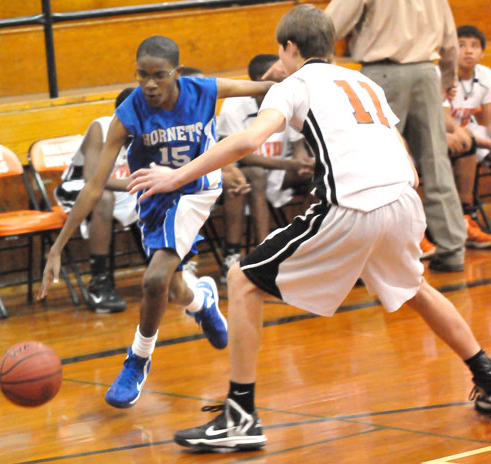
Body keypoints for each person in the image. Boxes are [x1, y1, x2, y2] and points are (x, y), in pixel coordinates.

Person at [129, 6, 491, 451]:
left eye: (280, 51)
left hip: (352, 203)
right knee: (415, 289)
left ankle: (240, 415)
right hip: (400, 198)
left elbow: (244, 141)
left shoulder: (295, 84)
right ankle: (486, 374)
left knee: (243, 280)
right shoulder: (364, 81)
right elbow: (397, 143)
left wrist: (173, 177)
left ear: (290, 48)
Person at [38, 35, 274, 409]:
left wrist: (304, 74)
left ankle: (138, 360)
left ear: (176, 73)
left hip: (196, 188)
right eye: (142, 75)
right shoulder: (129, 112)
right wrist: (58, 247)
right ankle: (201, 301)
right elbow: (94, 185)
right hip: (156, 199)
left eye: (159, 76)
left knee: (152, 278)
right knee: (169, 288)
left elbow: (265, 84)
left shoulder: (204, 90)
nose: (149, 84)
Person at [325, 0, 467, 273]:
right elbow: (450, 40)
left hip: (382, 73)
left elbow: (328, 26)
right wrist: (448, 78)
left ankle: (376, 252)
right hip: (427, 71)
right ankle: (452, 248)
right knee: (436, 162)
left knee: (375, 167)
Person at [217, 54, 314, 283]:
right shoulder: (234, 106)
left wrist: (302, 163)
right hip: (244, 171)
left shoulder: (290, 98)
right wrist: (289, 163)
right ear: (263, 80)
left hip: (282, 169)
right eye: (280, 71)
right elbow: (241, 156)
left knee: (319, 175)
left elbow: (297, 145)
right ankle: (264, 252)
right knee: (257, 175)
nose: (285, 74)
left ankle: (306, 245)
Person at [54, 88, 137, 313]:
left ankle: (170, 272)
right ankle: (99, 282)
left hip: (123, 189)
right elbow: (92, 179)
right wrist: (139, 184)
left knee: (157, 196)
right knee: (103, 198)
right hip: (80, 187)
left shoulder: (151, 129)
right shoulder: (101, 127)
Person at [441, 25, 491, 248]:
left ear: (482, 52)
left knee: (471, 139)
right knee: (467, 142)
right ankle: (465, 214)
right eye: (461, 45)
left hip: (469, 133)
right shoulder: (439, 73)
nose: (468, 51)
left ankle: (466, 215)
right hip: (443, 134)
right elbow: (442, 121)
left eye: (474, 46)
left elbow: (489, 122)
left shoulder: (485, 75)